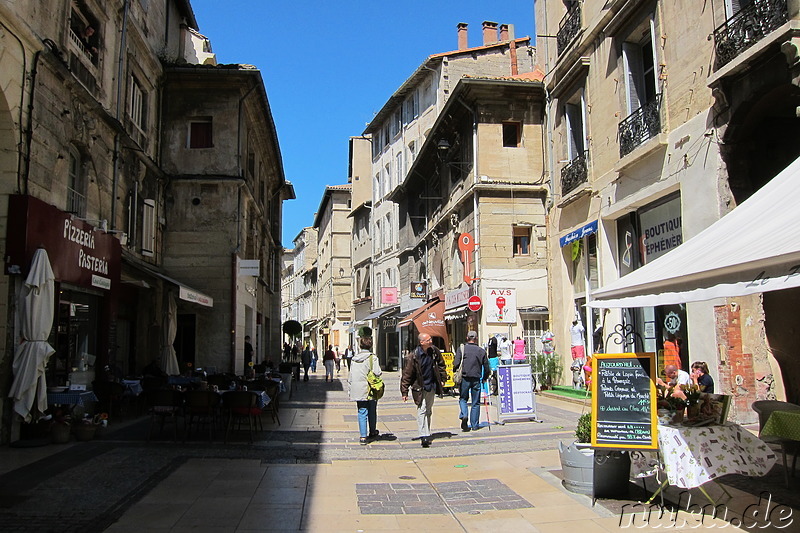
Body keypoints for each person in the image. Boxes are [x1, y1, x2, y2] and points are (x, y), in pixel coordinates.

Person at [400, 333, 447, 448]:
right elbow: (407, 374)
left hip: (431, 385)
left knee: (429, 410)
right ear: (422, 342)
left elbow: (441, 365)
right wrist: (404, 391)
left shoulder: (434, 351)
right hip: (419, 387)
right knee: (422, 409)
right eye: (428, 340)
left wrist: (442, 378)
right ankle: (423, 435)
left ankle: (427, 431)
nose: (431, 341)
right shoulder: (414, 356)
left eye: (430, 339)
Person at [348, 327, 381, 445]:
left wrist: (350, 389)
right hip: (370, 388)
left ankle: (363, 436)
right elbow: (378, 372)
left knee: (362, 411)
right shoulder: (373, 358)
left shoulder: (354, 359)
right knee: (372, 410)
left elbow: (351, 376)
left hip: (357, 389)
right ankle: (372, 431)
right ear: (370, 346)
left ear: (360, 346)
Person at [453, 331, 490, 432]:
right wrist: (485, 377)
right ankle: (474, 425)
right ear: (476, 338)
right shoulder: (481, 351)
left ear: (467, 337)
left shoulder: (462, 349)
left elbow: (456, 363)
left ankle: (464, 414)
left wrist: (455, 370)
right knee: (476, 402)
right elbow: (487, 367)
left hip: (465, 378)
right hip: (476, 379)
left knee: (463, 399)